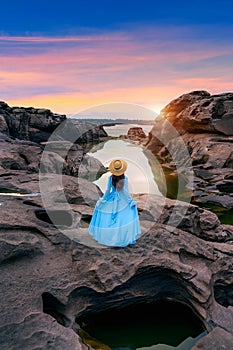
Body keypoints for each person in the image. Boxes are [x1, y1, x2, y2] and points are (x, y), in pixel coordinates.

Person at [88, 159, 141, 247]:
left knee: (106, 214)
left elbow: (108, 191)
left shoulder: (110, 178)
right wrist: (131, 201)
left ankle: (108, 236)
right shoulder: (125, 179)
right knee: (127, 214)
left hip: (112, 198)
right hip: (122, 199)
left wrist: (103, 200)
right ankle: (120, 237)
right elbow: (125, 193)